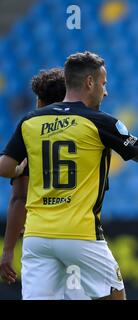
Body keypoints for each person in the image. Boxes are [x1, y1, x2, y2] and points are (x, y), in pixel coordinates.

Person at [0, 51, 138, 300]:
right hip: (80, 236)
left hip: (37, 239)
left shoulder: (30, 121)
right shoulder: (100, 122)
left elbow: (5, 169)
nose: (105, 91)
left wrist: (19, 168)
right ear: (89, 82)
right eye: (103, 83)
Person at [0, 68, 66, 287]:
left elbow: (19, 197)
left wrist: (8, 250)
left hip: (38, 234)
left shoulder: (31, 130)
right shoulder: (89, 127)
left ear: (39, 102)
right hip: (80, 233)